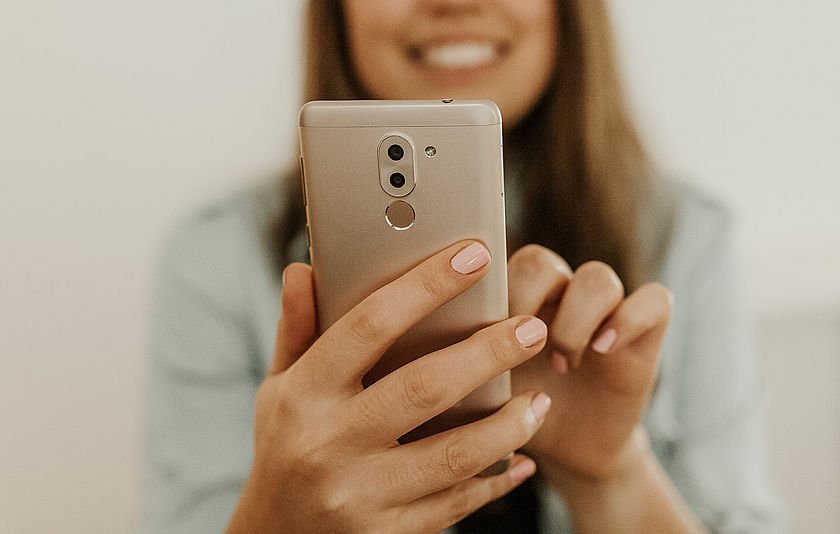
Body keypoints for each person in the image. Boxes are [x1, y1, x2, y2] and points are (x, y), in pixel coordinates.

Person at [144, 1, 783, 532]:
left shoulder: (689, 236)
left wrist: (610, 474)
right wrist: (275, 519)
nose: (453, 2)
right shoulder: (219, 254)